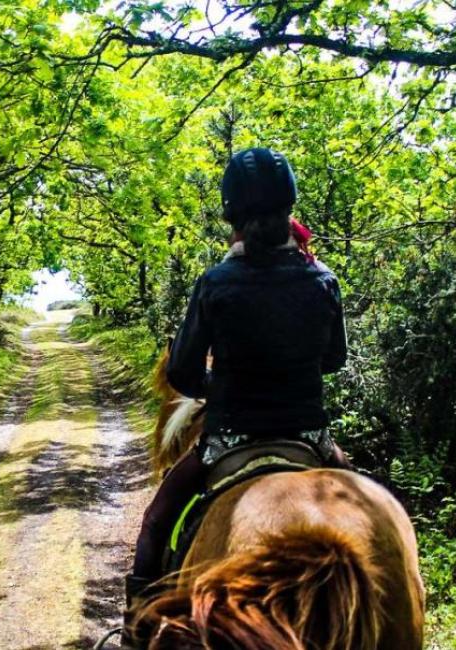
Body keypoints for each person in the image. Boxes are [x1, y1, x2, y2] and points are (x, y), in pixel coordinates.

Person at [123, 147, 350, 641]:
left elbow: (182, 373)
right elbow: (334, 361)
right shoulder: (323, 280)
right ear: (290, 209)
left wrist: (219, 386)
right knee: (383, 511)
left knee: (156, 523)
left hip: (228, 440)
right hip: (310, 437)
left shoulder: (216, 283)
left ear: (233, 217)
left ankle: (136, 632)